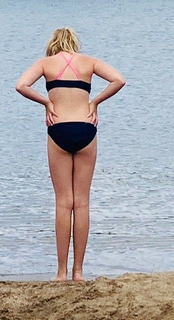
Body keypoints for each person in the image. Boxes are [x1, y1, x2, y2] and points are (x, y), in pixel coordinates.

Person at [15, 27, 125, 282]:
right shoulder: (89, 62)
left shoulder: (45, 63)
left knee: (63, 203)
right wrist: (94, 102)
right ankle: (78, 271)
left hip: (58, 128)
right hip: (86, 127)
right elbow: (119, 80)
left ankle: (61, 272)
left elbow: (21, 85)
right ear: (74, 43)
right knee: (82, 202)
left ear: (53, 44)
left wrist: (46, 102)